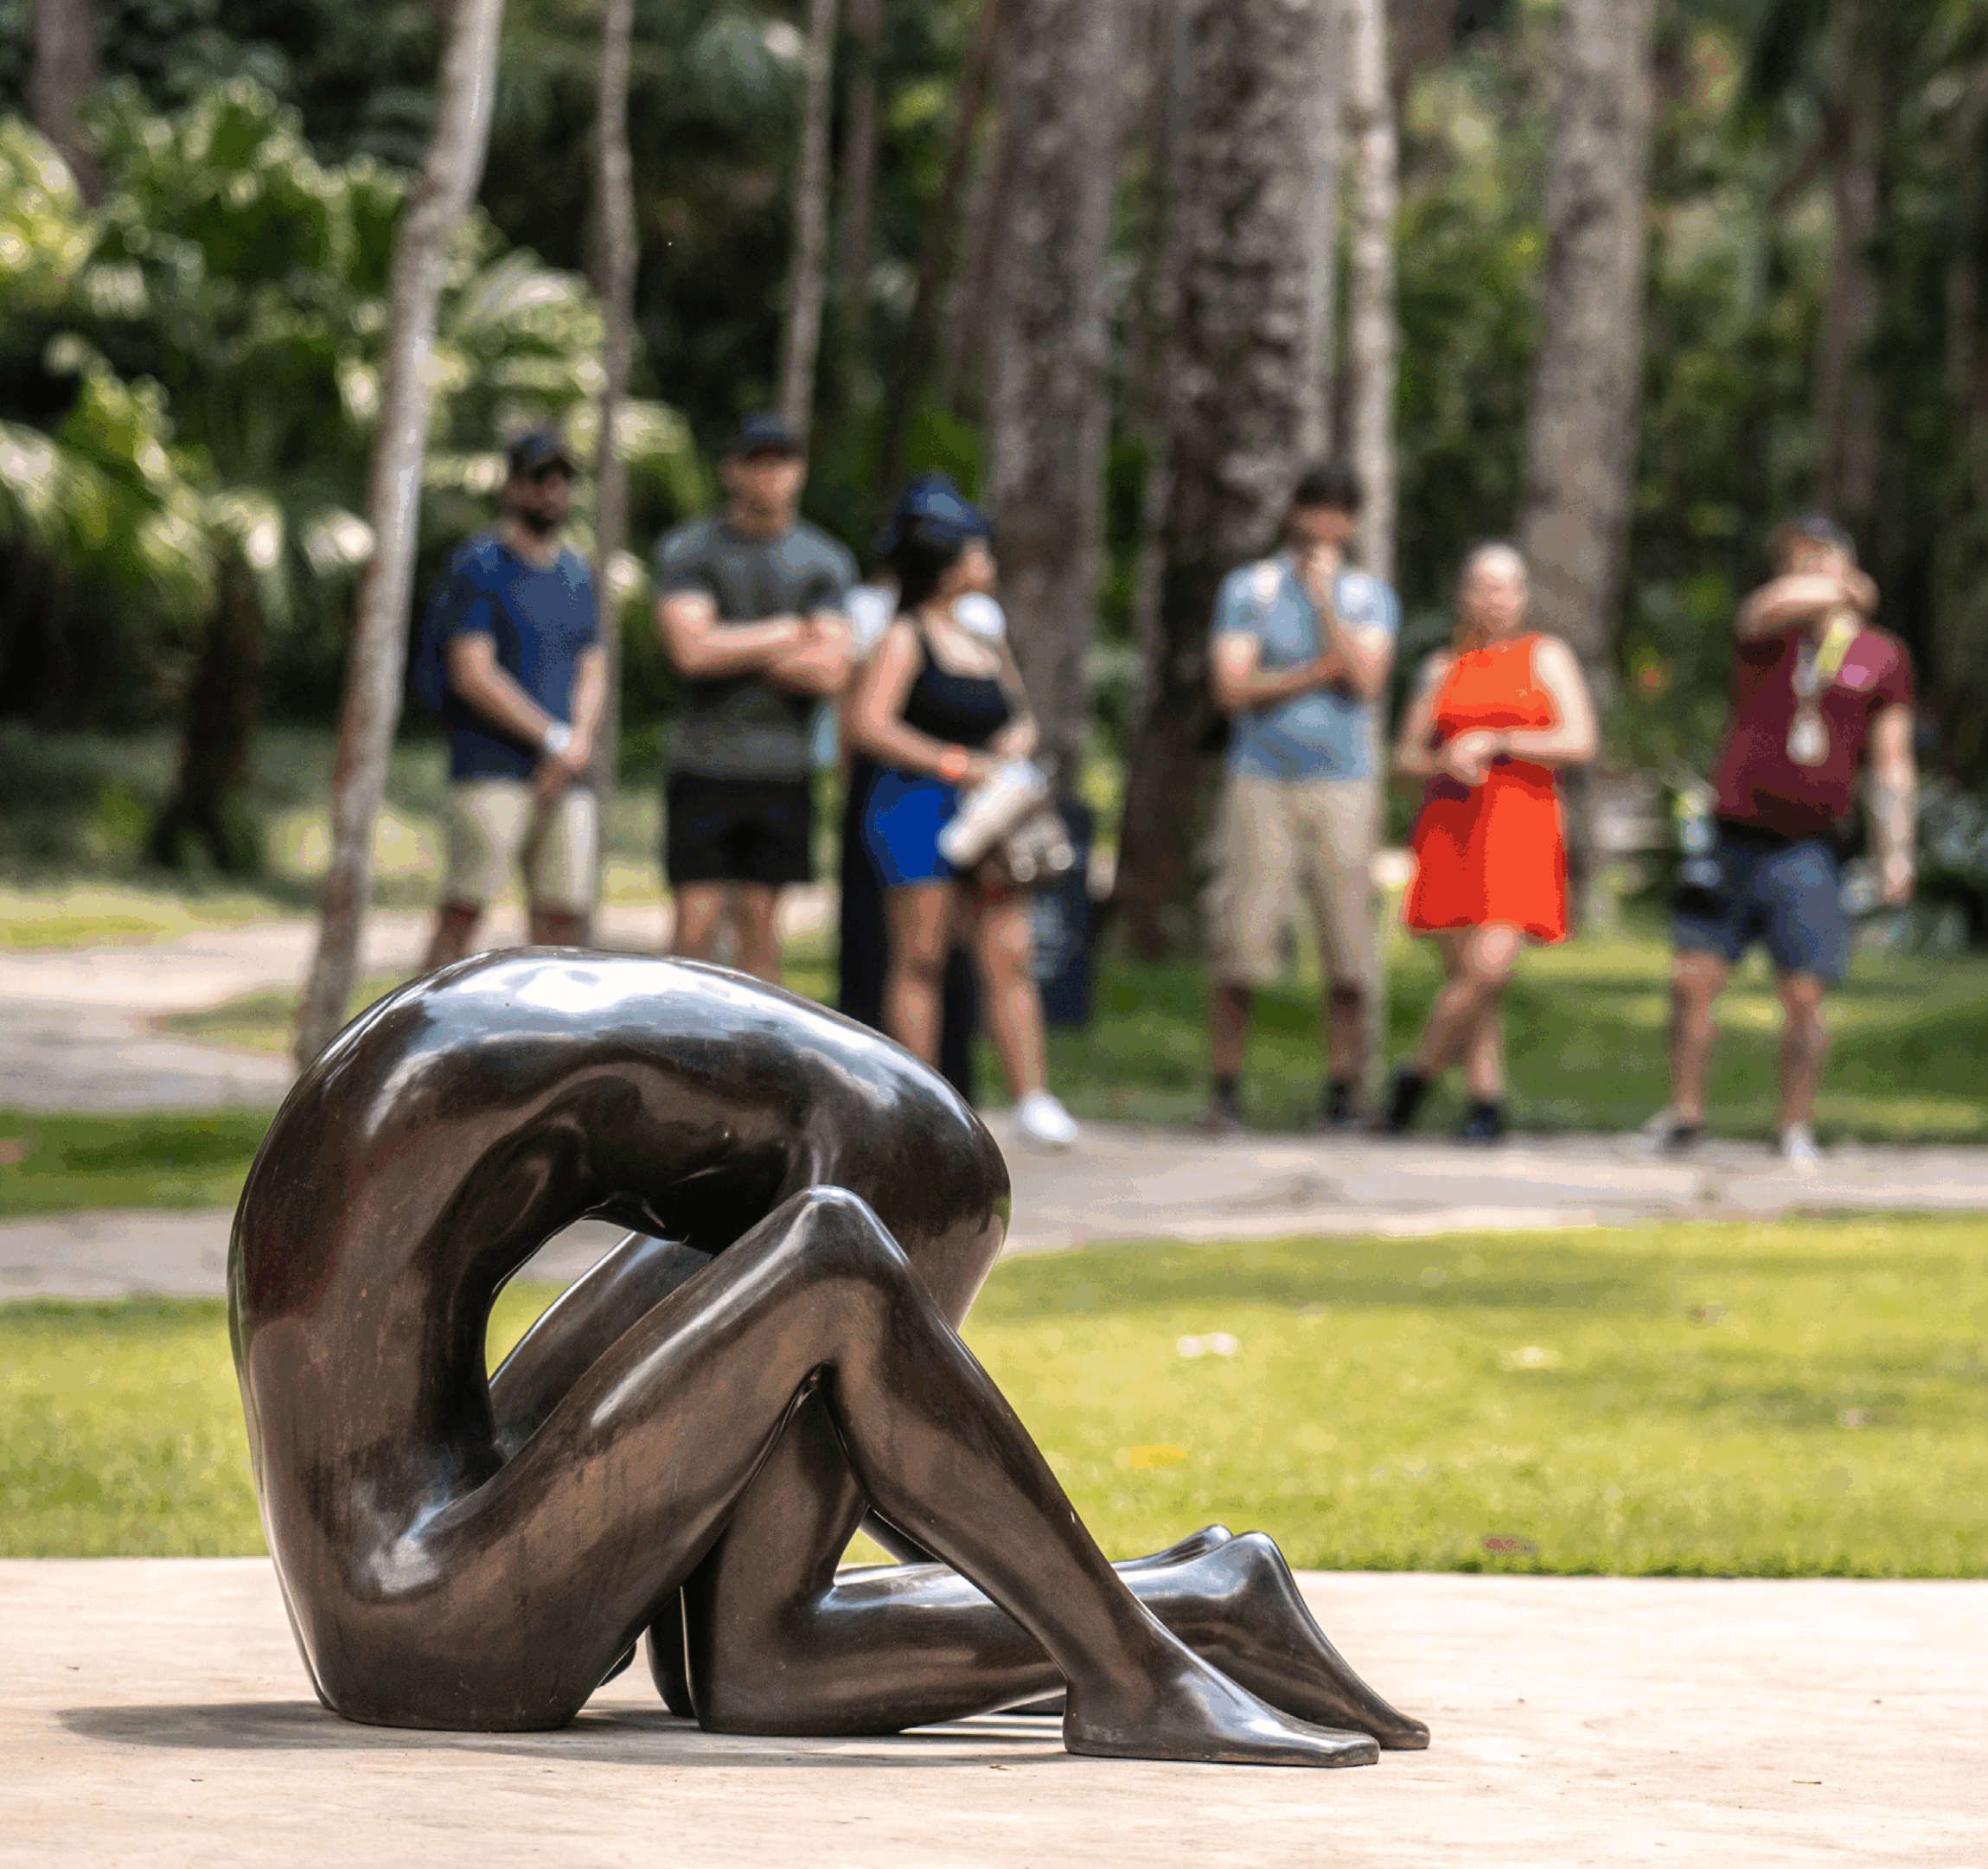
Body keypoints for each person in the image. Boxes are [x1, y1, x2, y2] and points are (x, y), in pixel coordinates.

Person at [234, 949, 1426, 1762]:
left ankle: (1189, 1613)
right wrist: (1069, 1598)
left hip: (417, 1533)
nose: (929, 1315)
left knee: (739, 1645)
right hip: (421, 1630)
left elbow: (883, 1429)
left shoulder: (517, 1059)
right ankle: (1144, 1664)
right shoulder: (871, 1147)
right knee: (833, 1269)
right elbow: (872, 1391)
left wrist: (1021, 1555)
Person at [1648, 513, 1917, 1167]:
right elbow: (1766, 606)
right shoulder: (1769, 637)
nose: (1802, 572)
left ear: (1845, 559)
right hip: (1733, 835)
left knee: (1804, 994)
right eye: (1793, 560)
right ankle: (1685, 1114)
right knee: (1692, 979)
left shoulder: (1880, 656)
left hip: (1810, 846)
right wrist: (1841, 585)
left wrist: (1897, 850)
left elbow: (1892, 762)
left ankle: (1794, 1125)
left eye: (1816, 556)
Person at [844, 477, 1077, 1151]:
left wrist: (1012, 747)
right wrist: (952, 763)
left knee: (1010, 952)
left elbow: (1019, 714)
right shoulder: (905, 635)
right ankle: (922, 1105)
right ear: (946, 565)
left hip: (989, 816)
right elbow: (868, 723)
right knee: (920, 955)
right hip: (914, 810)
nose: (988, 562)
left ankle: (1033, 1098)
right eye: (976, 552)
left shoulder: (985, 633)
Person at [1203, 463, 1399, 1133]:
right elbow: (1232, 687)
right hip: (1260, 777)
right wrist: (1319, 670)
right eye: (1314, 506)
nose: (1324, 522)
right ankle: (1224, 1089)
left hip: (1345, 781)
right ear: (1293, 513)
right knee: (1242, 938)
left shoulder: (1368, 596)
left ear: (1352, 522)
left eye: (1338, 510)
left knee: (1348, 945)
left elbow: (1367, 680)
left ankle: (1344, 1091)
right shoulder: (1250, 588)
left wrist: (1323, 603)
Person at [1378, 542, 1597, 1141]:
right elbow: (1405, 756)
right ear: (1465, 594)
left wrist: (1498, 740)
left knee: (1488, 971)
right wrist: (1445, 758)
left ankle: (1412, 1079)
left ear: (1523, 596)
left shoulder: (1546, 657)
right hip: (1453, 826)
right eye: (1484, 586)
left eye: (1507, 587)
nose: (1496, 598)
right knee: (1468, 983)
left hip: (1522, 825)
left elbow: (1579, 741)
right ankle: (1485, 1105)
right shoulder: (1440, 668)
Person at [654, 413, 857, 983]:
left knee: (762, 937)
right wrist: (790, 631)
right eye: (756, 462)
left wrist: (728, 642)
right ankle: (675, 1034)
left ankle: (754, 1042)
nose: (769, 476)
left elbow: (831, 671)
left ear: (800, 471)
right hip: (702, 764)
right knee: (693, 933)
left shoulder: (826, 559)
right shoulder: (689, 549)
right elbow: (690, 653)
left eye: (780, 462)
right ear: (731, 470)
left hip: (783, 770)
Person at [419, 430, 604, 973]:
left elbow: (593, 666)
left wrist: (576, 744)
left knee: (563, 920)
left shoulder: (577, 573)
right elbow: (472, 672)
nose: (552, 491)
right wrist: (554, 738)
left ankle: (553, 1024)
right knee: (464, 910)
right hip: (491, 767)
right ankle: (425, 1021)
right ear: (511, 486)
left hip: (565, 774)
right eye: (539, 479)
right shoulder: (478, 565)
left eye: (561, 480)